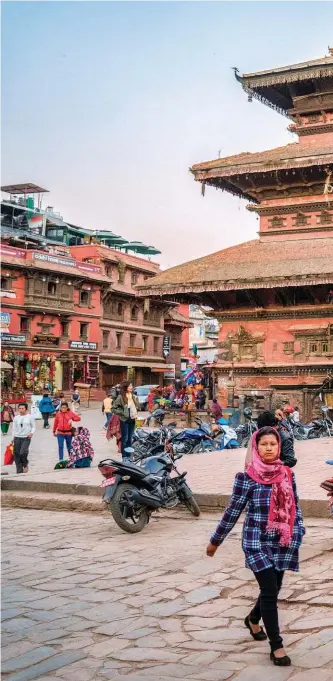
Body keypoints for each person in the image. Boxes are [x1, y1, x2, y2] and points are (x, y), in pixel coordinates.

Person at [206, 426, 305, 667]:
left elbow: (295, 505)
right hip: (256, 542)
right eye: (264, 444)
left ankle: (252, 618)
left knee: (275, 586)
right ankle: (277, 646)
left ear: (279, 446)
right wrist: (215, 541)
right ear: (255, 447)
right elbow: (232, 511)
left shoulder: (287, 474)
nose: (269, 448)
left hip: (281, 540)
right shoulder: (246, 477)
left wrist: (298, 529)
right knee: (270, 591)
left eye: (273, 444)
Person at [112, 381, 140, 459]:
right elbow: (113, 409)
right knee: (125, 438)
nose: (131, 387)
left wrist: (137, 407)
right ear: (126, 387)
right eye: (130, 386)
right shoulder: (121, 397)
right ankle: (124, 457)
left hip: (132, 419)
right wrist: (122, 412)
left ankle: (129, 455)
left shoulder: (133, 396)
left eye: (131, 386)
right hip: (124, 420)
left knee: (130, 439)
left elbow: (137, 407)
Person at [12, 403, 36, 474]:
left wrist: (31, 433)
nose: (21, 410)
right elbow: (14, 429)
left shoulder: (30, 417)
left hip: (26, 437)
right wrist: (12, 438)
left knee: (23, 452)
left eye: (22, 408)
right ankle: (19, 471)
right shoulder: (16, 418)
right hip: (17, 437)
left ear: (26, 409)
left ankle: (25, 464)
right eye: (20, 408)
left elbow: (34, 426)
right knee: (16, 454)